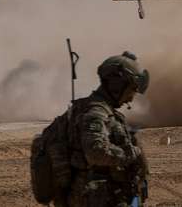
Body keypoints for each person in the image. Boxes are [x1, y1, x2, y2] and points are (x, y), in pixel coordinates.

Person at [59, 51, 150, 207]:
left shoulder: (106, 113)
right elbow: (96, 152)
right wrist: (131, 153)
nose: (131, 97)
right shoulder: (95, 114)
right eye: (131, 89)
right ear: (117, 85)